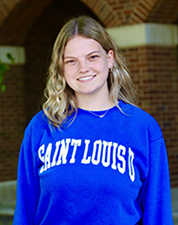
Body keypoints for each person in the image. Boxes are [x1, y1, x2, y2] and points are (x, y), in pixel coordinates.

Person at [13, 15, 173, 225]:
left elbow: (158, 216)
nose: (83, 68)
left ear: (109, 59)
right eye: (71, 61)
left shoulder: (143, 128)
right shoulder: (41, 127)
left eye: (92, 57)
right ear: (61, 68)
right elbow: (24, 213)